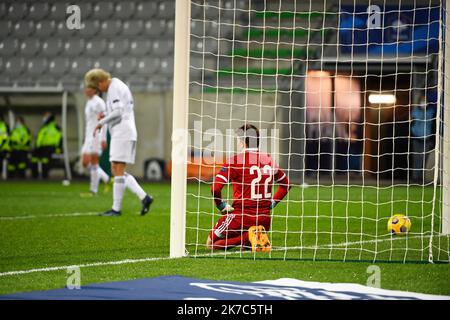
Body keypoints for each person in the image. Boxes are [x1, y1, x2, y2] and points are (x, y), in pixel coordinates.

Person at [207, 124, 291, 252]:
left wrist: (221, 206)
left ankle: (248, 236)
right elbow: (286, 185)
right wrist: (273, 202)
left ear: (242, 142)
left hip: (241, 217)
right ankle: (251, 237)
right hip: (264, 220)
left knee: (211, 243)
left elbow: (215, 188)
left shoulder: (235, 161)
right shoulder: (268, 160)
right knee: (245, 248)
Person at [84, 68, 153, 216]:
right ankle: (144, 197)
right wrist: (106, 115)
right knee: (116, 169)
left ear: (101, 81)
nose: (98, 90)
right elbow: (118, 110)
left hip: (123, 132)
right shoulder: (117, 86)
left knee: (118, 169)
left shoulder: (114, 87)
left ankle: (116, 209)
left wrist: (101, 121)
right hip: (121, 132)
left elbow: (118, 111)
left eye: (97, 86)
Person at [80, 85, 110, 196]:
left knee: (88, 162)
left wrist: (103, 138)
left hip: (96, 136)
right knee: (88, 163)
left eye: (89, 88)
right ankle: (106, 180)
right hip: (89, 136)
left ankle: (94, 190)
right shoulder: (89, 102)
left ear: (95, 90)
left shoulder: (99, 103)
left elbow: (104, 121)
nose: (86, 90)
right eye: (86, 88)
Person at [410, 94, 435, 183]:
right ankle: (415, 178)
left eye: (425, 101)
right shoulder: (415, 112)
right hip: (417, 139)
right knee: (417, 159)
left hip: (427, 139)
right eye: (422, 100)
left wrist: (433, 138)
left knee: (425, 159)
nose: (424, 103)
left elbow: (433, 126)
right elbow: (411, 124)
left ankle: (422, 178)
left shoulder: (431, 112)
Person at [31, 111, 62, 179]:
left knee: (45, 160)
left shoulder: (56, 127)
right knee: (33, 159)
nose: (44, 118)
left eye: (46, 116)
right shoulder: (44, 127)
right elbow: (39, 138)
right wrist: (36, 146)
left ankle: (45, 176)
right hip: (41, 148)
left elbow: (60, 140)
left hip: (50, 148)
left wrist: (58, 149)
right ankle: (34, 176)